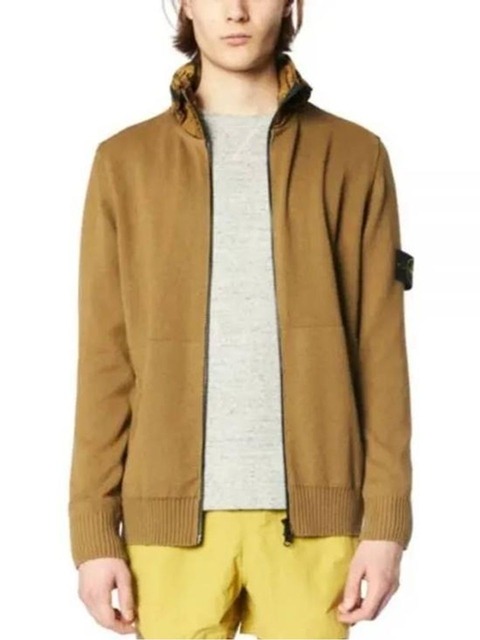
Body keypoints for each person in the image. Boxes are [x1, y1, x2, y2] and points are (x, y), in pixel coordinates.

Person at [68, 1, 415, 638]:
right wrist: (93, 532)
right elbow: (104, 361)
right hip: (166, 527)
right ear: (184, 4)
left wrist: (387, 524)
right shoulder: (124, 162)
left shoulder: (354, 155)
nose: (235, 10)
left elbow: (381, 351)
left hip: (318, 523)